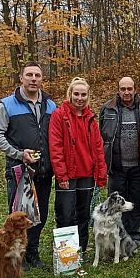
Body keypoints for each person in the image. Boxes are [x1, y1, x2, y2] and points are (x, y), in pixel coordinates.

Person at [0, 62, 56, 270]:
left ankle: (32, 251)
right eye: (29, 75)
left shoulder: (50, 105)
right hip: (19, 171)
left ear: (42, 79)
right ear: (21, 78)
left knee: (40, 214)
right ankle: (16, 255)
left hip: (44, 170)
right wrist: (19, 154)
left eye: (37, 75)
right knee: (19, 216)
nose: (33, 79)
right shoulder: (7, 104)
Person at [49, 77, 107, 261]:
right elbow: (55, 147)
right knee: (66, 214)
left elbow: (98, 147)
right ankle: (65, 254)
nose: (79, 98)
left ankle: (80, 251)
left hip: (87, 175)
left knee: (83, 215)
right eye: (76, 94)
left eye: (83, 94)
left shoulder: (91, 117)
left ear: (88, 96)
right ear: (70, 95)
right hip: (68, 174)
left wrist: (101, 174)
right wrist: (61, 174)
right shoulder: (60, 115)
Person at [99, 76, 140, 247]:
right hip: (116, 165)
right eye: (123, 89)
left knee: (137, 200)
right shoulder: (107, 109)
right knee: (116, 202)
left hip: (139, 165)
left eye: (130, 89)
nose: (127, 92)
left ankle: (134, 234)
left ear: (135, 89)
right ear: (118, 90)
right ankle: (117, 233)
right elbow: (101, 136)